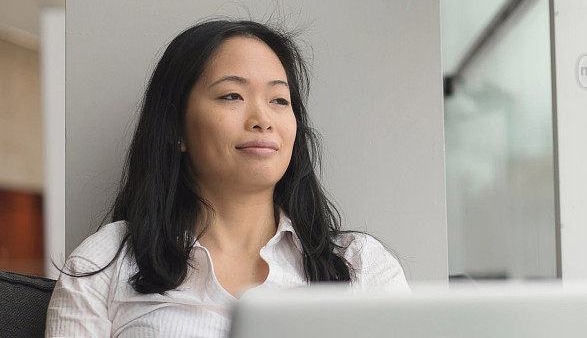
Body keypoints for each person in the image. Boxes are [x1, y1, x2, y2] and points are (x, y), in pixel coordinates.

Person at [45, 18, 408, 337]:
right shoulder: (105, 261)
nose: (262, 119)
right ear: (176, 128)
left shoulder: (360, 265)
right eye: (232, 95)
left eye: (280, 100)